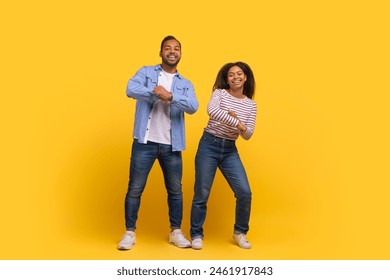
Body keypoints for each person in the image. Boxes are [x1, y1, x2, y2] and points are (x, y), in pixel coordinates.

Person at [118, 36, 199, 250]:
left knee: (175, 190)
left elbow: (193, 106)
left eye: (177, 49)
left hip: (172, 145)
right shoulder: (146, 72)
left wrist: (171, 97)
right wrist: (155, 93)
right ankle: (129, 233)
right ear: (161, 52)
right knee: (135, 188)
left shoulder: (185, 83)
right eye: (168, 48)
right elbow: (130, 88)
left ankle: (176, 232)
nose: (172, 51)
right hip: (144, 142)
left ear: (180, 54)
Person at [190, 62, 257, 250]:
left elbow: (248, 134)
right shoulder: (219, 93)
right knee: (201, 193)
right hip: (209, 145)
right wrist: (238, 123)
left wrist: (238, 124)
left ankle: (240, 233)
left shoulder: (251, 105)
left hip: (229, 150)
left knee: (244, 192)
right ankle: (196, 234)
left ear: (245, 77)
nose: (235, 77)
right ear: (226, 79)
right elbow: (212, 111)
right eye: (231, 75)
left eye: (239, 74)